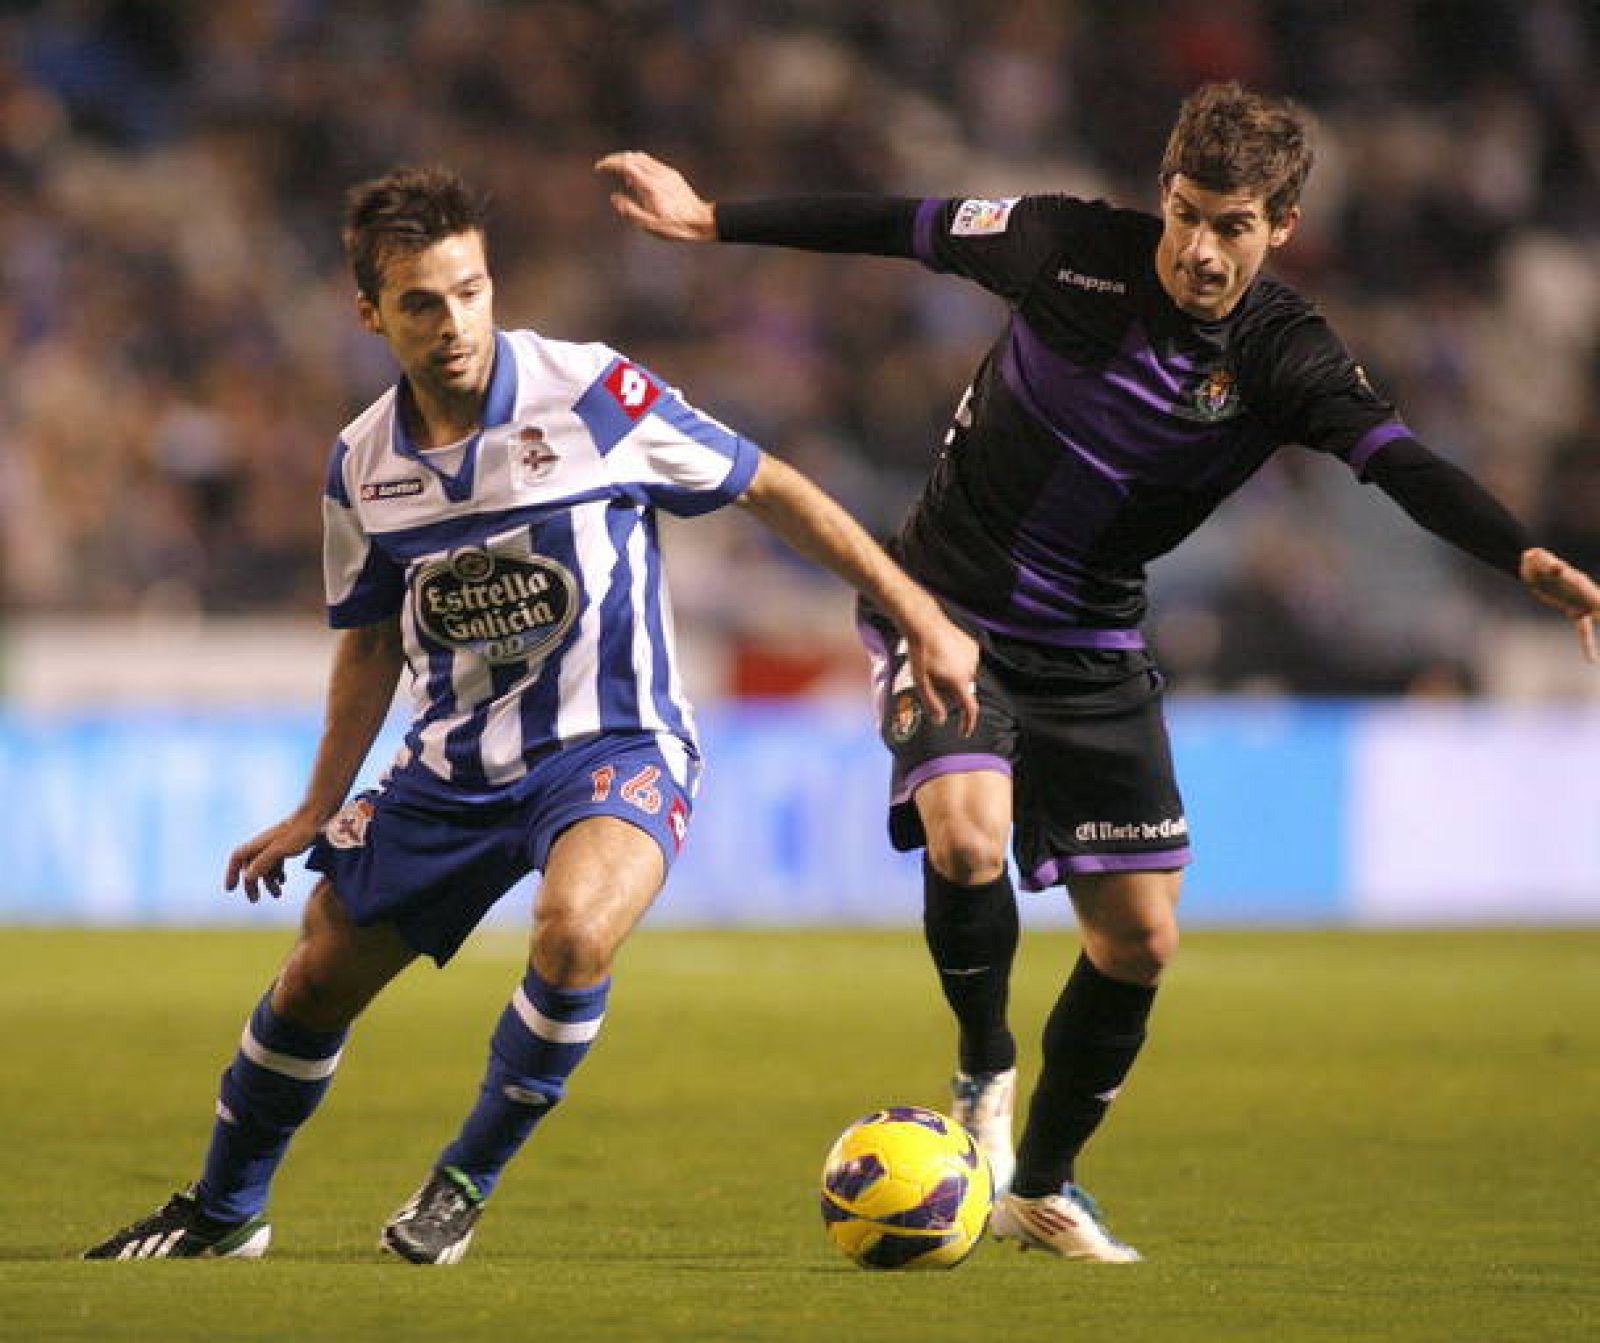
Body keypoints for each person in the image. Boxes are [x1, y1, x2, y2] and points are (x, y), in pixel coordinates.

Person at [596, 81, 1600, 1263]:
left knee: (1139, 942)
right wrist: (712, 218)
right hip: (943, 610)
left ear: (1281, 225)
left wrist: (1521, 552)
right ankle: (983, 1071)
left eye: (1231, 225)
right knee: (967, 835)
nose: (1198, 247)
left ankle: (1043, 1184)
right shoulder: (1067, 246)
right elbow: (896, 222)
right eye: (1184, 213)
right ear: (1161, 197)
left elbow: (1397, 461)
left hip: (1094, 647)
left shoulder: (1286, 354)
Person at [83, 166, 978, 1264]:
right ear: (370, 312)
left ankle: (460, 1182)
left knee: (573, 929)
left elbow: (769, 486)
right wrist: (319, 803)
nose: (452, 322)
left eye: (469, 291)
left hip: (614, 743)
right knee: (314, 973)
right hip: (452, 770)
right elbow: (367, 637)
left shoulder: (593, 393)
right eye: (420, 301)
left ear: (490, 283)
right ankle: (223, 1214)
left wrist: (918, 614)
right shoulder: (362, 464)